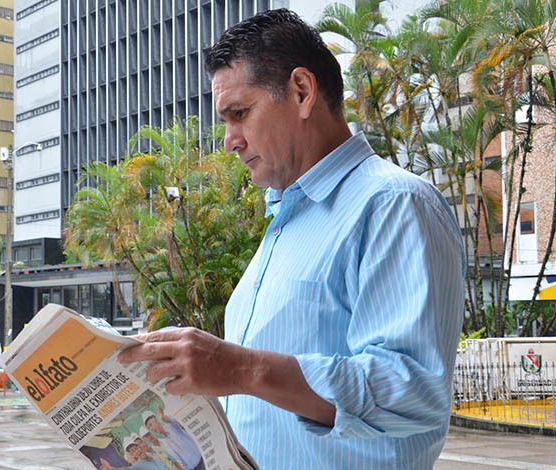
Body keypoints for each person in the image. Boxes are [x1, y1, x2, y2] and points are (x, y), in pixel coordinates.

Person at [118, 9, 465, 469]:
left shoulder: (393, 205)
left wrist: (241, 368)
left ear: (302, 91)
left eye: (239, 114)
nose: (229, 141)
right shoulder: (286, 220)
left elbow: (412, 392)